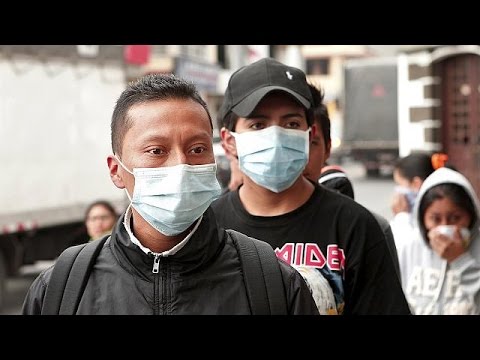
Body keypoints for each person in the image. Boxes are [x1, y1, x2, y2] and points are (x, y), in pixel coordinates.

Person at [22, 73, 319, 315]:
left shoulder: (272, 281)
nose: (181, 165)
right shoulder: (62, 287)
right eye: (156, 151)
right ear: (116, 170)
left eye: (197, 149)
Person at [211, 57, 410, 315]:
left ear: (310, 134)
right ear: (229, 141)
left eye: (291, 124)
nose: (276, 136)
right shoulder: (209, 227)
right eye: (258, 125)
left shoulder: (354, 226)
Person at [303, 83, 400, 280]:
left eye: (311, 142)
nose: (299, 155)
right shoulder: (227, 227)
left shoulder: (366, 229)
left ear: (327, 148)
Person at [398, 166, 480, 314]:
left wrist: (460, 259)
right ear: (422, 220)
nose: (445, 227)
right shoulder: (408, 247)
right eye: (435, 219)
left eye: (455, 218)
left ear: (471, 217)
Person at [390, 153, 436, 251]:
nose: (397, 190)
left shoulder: (429, 214)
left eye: (399, 184)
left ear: (416, 183)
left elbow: (403, 248)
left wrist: (401, 216)